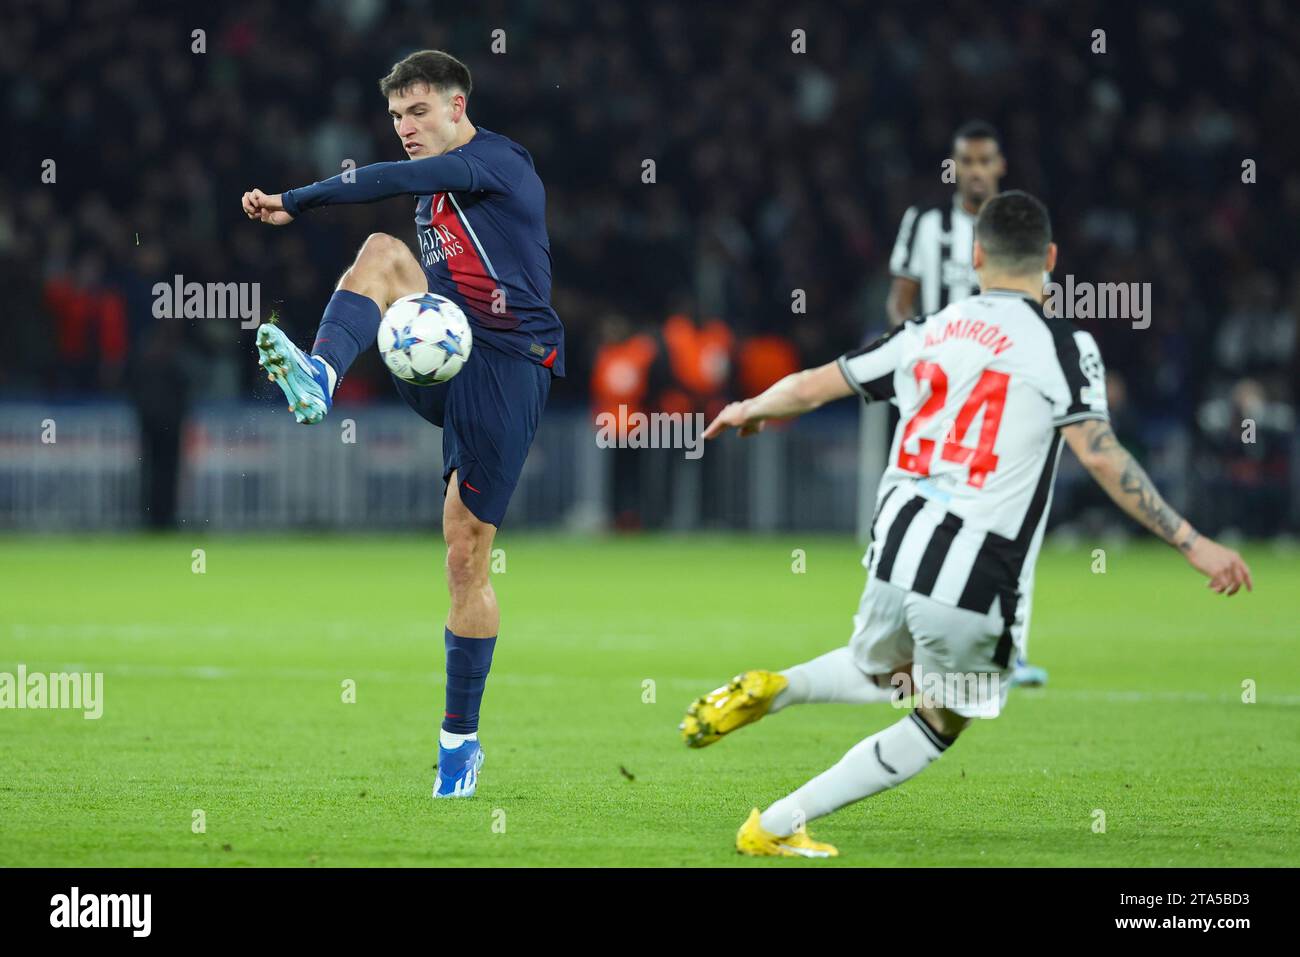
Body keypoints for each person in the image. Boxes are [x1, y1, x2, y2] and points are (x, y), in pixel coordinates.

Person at [682, 191, 1252, 858]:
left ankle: (781, 686)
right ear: (1051, 260)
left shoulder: (930, 328)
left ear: (976, 255)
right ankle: (778, 822)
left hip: (893, 550)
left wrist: (749, 407)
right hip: (975, 573)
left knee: (884, 673)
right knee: (940, 719)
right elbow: (1099, 452)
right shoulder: (1065, 346)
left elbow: (813, 385)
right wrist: (1192, 540)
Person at [240, 50, 564, 799]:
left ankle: (459, 744)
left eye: (418, 112)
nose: (405, 128)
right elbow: (405, 197)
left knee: (463, 555)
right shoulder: (433, 206)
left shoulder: (497, 161)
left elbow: (391, 177)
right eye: (395, 116)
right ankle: (319, 375)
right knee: (382, 253)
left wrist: (298, 197)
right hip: (447, 359)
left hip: (511, 365)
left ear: (458, 106)